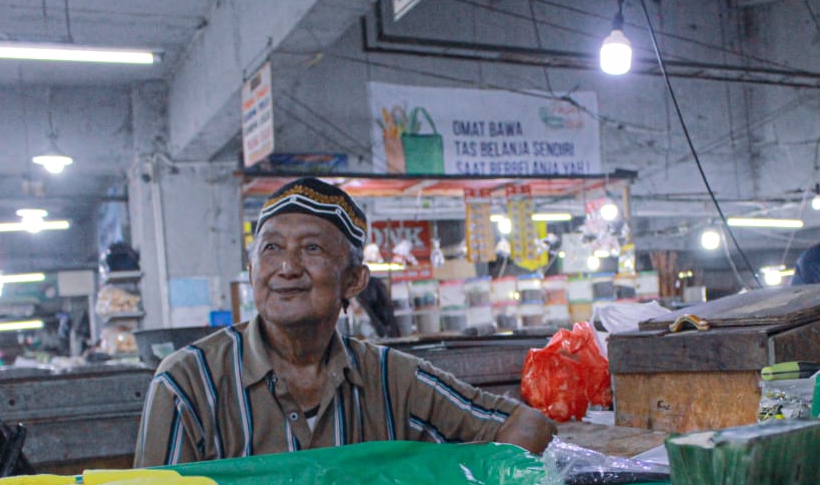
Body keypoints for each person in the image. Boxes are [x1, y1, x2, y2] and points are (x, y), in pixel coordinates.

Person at [134, 177, 556, 467]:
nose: (287, 267)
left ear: (353, 279)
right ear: (251, 271)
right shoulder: (189, 384)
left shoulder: (393, 379)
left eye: (312, 248)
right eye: (271, 249)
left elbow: (528, 426)